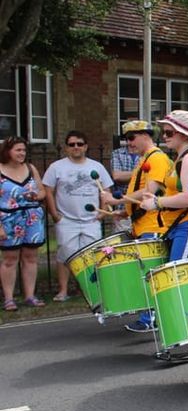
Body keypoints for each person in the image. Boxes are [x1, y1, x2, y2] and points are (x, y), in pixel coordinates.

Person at [107, 120, 176, 332]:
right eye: (126, 139)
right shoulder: (143, 160)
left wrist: (118, 200)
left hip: (154, 225)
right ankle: (148, 315)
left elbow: (151, 190)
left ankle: (151, 318)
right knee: (146, 273)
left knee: (151, 273)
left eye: (131, 138)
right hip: (142, 224)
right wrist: (124, 210)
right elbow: (139, 194)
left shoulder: (157, 158)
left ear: (146, 135)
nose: (129, 144)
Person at [42, 130, 114, 302]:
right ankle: (63, 290)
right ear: (66, 147)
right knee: (65, 255)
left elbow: (105, 190)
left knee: (92, 255)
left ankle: (90, 290)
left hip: (91, 220)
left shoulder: (96, 167)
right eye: (72, 144)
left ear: (86, 147)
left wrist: (102, 212)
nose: (76, 147)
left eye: (79, 144)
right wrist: (54, 213)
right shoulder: (56, 167)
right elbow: (48, 191)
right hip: (67, 220)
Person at [139, 110, 188, 261]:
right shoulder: (182, 158)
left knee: (177, 276)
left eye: (169, 133)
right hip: (183, 223)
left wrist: (157, 202)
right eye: (163, 132)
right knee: (174, 277)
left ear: (183, 134)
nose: (164, 136)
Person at [0, 137, 46, 309]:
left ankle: (29, 295)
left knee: (31, 257)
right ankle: (9, 298)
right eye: (18, 150)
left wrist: (36, 196)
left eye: (24, 150)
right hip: (8, 219)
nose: (22, 153)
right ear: (8, 151)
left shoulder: (30, 168)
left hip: (31, 216)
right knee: (10, 258)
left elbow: (42, 192)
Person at [110, 135, 138, 233]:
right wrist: (140, 174)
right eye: (129, 139)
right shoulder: (117, 153)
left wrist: (127, 176)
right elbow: (117, 176)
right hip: (122, 208)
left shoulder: (148, 154)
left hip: (143, 209)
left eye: (134, 138)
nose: (131, 143)